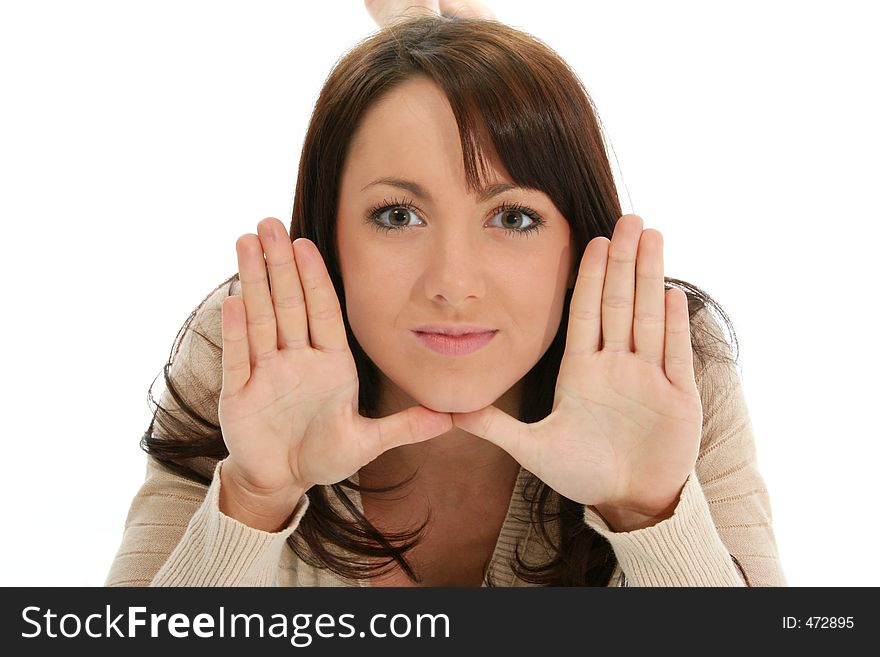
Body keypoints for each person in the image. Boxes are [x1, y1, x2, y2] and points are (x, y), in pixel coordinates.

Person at [105, 4, 786, 587]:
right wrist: (255, 498)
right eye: (398, 215)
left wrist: (650, 510)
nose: (453, 284)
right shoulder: (248, 349)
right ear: (327, 234)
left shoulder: (665, 366)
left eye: (514, 217)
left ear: (579, 245)